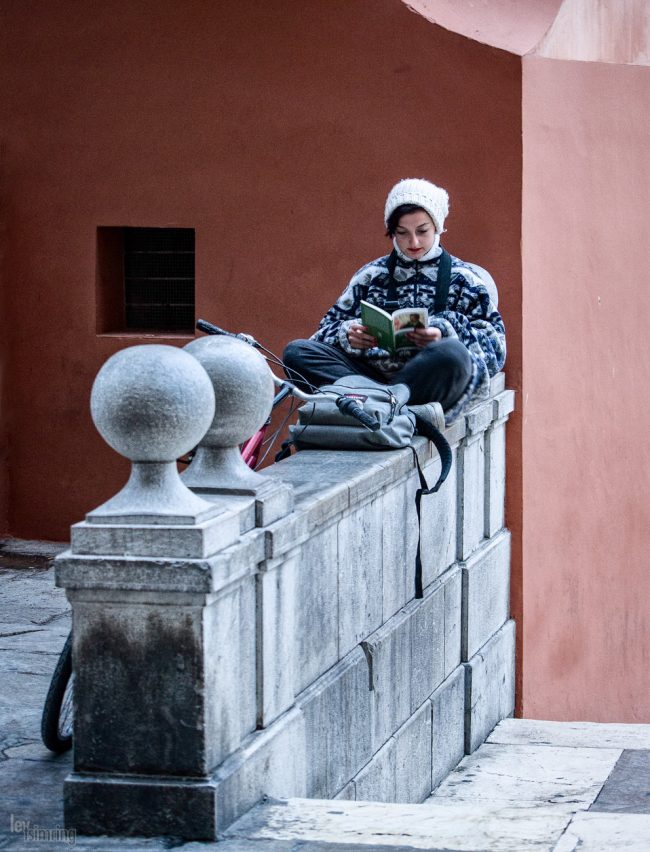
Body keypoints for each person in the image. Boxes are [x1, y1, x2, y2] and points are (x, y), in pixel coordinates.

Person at [283, 178, 506, 425]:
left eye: (422, 231)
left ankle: (382, 404)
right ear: (392, 232)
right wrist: (347, 335)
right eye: (402, 233)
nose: (414, 243)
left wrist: (443, 332)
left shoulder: (465, 280)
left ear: (438, 227)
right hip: (370, 378)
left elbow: (496, 349)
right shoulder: (370, 276)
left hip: (425, 381)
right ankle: (387, 404)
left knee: (452, 355)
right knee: (296, 352)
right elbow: (321, 334)